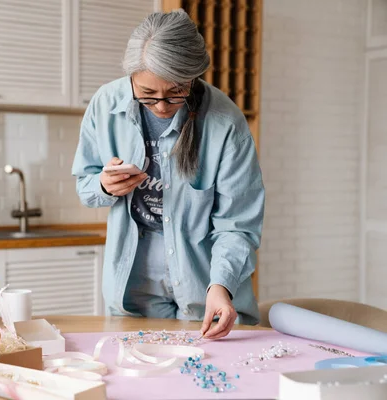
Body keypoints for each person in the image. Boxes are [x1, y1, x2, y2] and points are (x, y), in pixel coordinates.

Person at [71, 9, 265, 339]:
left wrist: (220, 286)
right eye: (147, 95)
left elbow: (237, 224)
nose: (161, 106)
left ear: (193, 78)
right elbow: (85, 185)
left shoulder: (225, 123)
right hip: (135, 278)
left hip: (203, 277)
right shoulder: (105, 104)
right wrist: (104, 184)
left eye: (176, 92)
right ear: (131, 77)